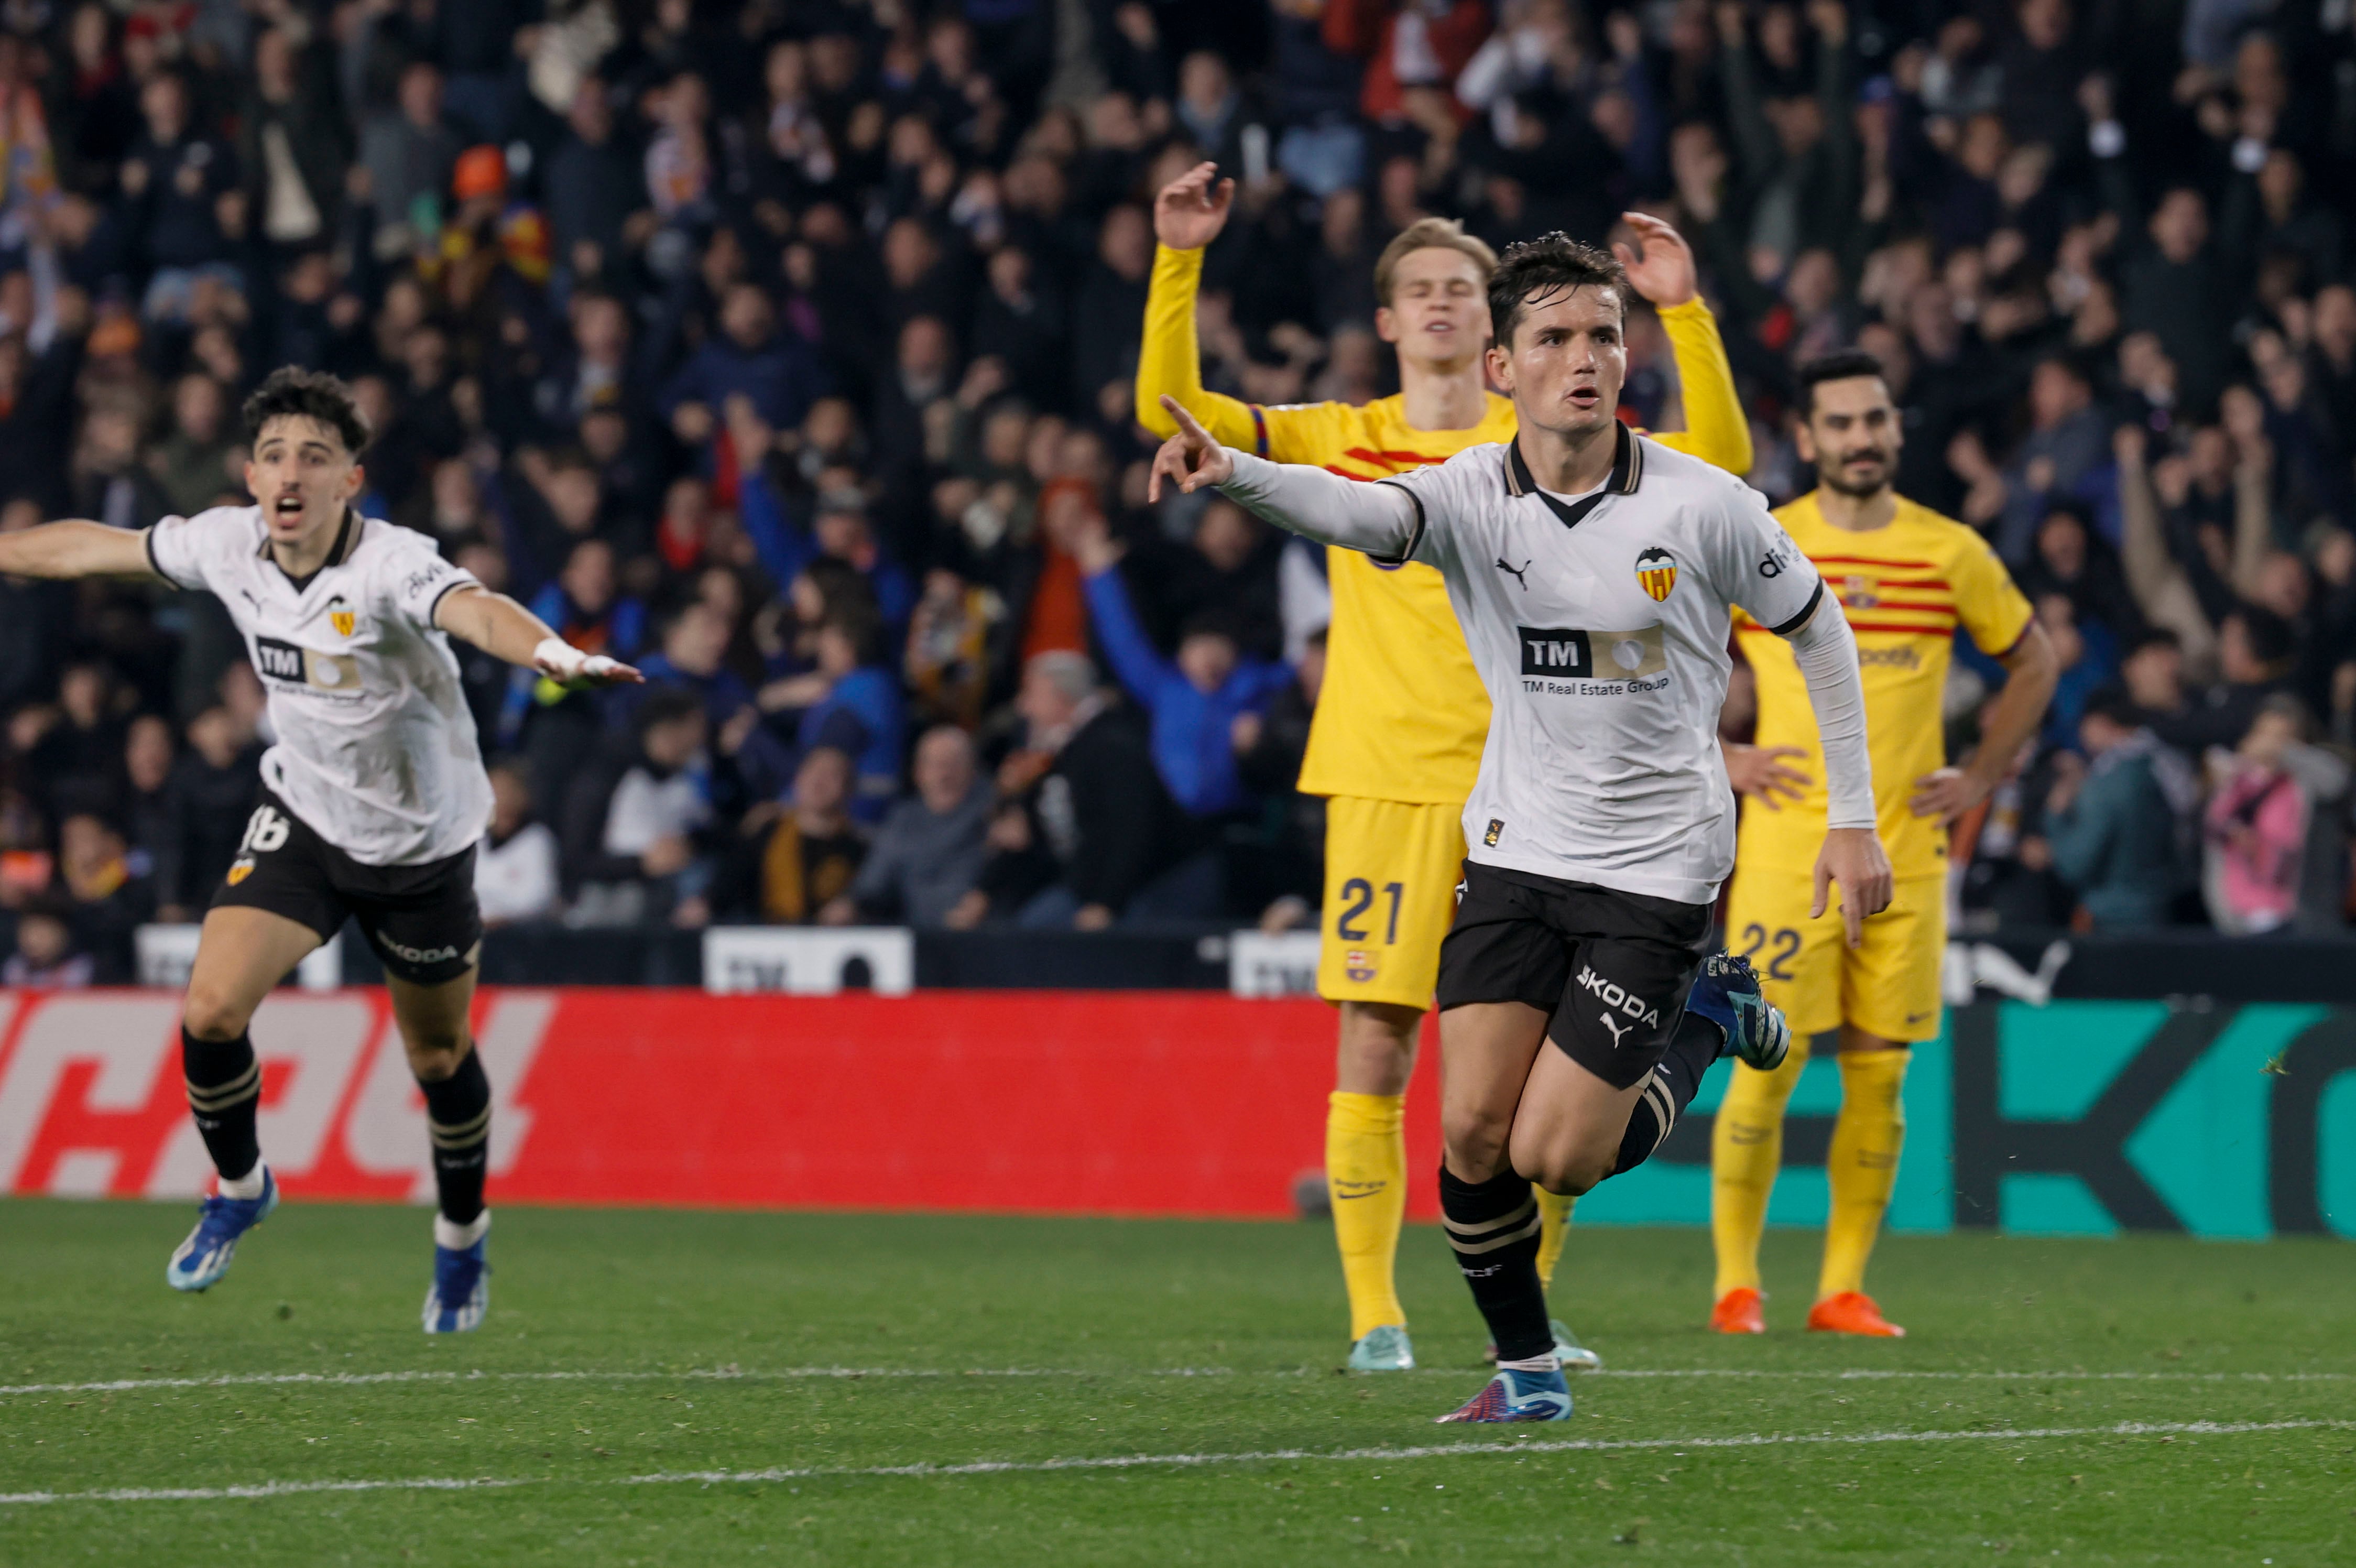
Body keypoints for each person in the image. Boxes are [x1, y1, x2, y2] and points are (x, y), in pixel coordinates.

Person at [1146, 233, 1890, 1423]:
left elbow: (1819, 631)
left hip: (1655, 871)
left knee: (1564, 1156)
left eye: (1601, 334)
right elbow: (1347, 508)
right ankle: (1529, 1372)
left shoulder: (1703, 504)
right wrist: (1227, 468)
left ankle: (1706, 1014)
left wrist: (1852, 822)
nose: (1583, 358)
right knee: (1472, 1135)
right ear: (1503, 366)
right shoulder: (1464, 496)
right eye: (1552, 338)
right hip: (1514, 852)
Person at [0, 367, 640, 1332]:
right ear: (250, 477)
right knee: (211, 1008)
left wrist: (551, 652)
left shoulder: (392, 564)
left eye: (314, 456)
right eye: (272, 456)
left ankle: (463, 1238)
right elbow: (98, 549)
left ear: (352, 481)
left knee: (436, 1054)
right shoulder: (227, 543)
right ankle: (241, 1185)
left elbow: (475, 608)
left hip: (420, 848)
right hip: (304, 818)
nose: (289, 473)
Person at [1710, 349, 2058, 1340]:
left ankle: (1842, 1289)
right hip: (1786, 853)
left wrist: (1985, 775)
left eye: (1876, 420)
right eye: (1842, 423)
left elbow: (2035, 661)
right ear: (1809, 438)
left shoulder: (1950, 552)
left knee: (1881, 1069)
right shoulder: (1766, 541)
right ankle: (1738, 1285)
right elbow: (1658, 645)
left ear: (1894, 430)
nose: (1862, 438)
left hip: (1908, 854)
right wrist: (1719, 755)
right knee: (1767, 1064)